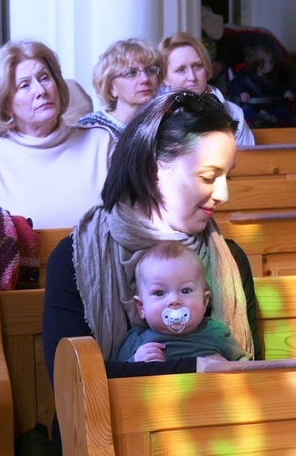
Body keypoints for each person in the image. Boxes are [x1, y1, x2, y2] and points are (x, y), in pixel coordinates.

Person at [42, 87, 261, 387]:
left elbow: (254, 372)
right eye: (209, 177)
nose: (223, 194)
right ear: (154, 169)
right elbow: (69, 377)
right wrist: (197, 367)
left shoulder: (231, 259)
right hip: (105, 429)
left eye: (228, 177)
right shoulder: (76, 259)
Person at [0, 40, 114, 229]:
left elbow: (131, 223)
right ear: (5, 105)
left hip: (100, 258)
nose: (41, 91)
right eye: (24, 85)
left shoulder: (101, 141)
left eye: (45, 78)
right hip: (19, 259)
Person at [109, 240, 252, 363]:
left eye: (185, 291)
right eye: (159, 293)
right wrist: (135, 361)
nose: (174, 300)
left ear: (204, 301)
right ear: (141, 308)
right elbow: (112, 375)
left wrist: (226, 368)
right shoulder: (136, 339)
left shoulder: (216, 333)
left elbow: (245, 367)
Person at [159, 31, 255, 146]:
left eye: (197, 66)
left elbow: (249, 161)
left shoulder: (233, 112)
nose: (192, 77)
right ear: (165, 78)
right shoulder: (155, 116)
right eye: (181, 70)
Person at [76, 38, 163, 140]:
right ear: (111, 87)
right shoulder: (90, 128)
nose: (145, 79)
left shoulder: (167, 122)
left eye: (150, 71)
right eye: (131, 73)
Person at [228, 44, 295, 128]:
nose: (273, 64)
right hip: (253, 107)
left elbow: (285, 83)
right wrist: (241, 92)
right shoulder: (244, 77)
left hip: (274, 106)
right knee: (244, 111)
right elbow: (234, 85)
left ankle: (272, 120)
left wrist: (287, 91)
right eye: (270, 63)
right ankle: (259, 121)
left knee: (286, 112)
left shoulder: (278, 74)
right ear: (259, 68)